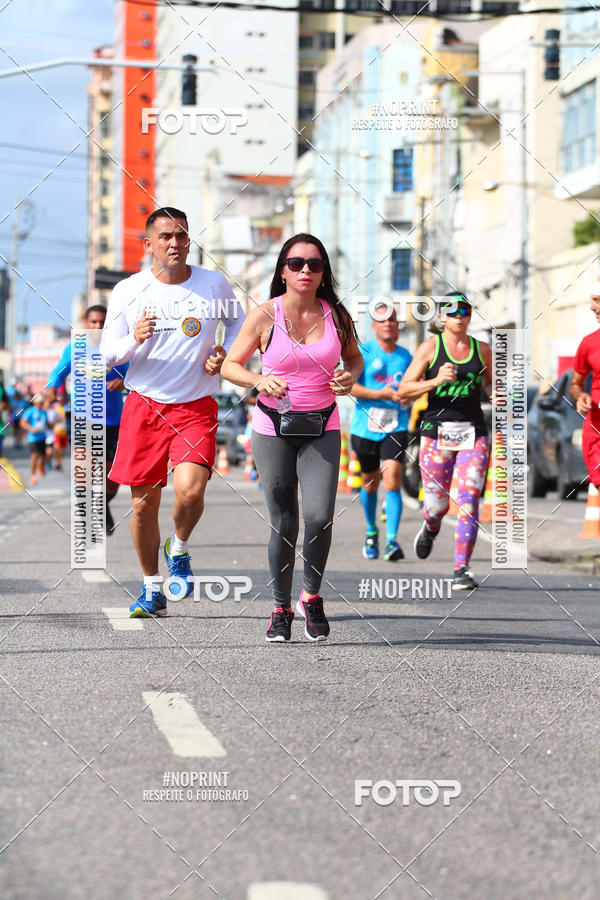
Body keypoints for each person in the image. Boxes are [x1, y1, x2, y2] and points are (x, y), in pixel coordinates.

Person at [100, 206, 244, 618]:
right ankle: (151, 588)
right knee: (143, 506)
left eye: (182, 235)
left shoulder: (213, 284)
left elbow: (239, 325)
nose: (175, 243)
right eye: (166, 236)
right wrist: (134, 339)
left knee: (191, 491)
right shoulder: (128, 290)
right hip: (144, 405)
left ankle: (178, 547)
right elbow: (108, 352)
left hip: (195, 407)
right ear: (149, 244)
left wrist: (225, 354)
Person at [221, 233, 363, 642]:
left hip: (323, 426)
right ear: (282, 270)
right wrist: (258, 379)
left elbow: (354, 358)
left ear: (323, 273)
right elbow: (230, 366)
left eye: (314, 264)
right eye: (296, 263)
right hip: (273, 428)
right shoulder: (265, 314)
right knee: (284, 522)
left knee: (319, 517)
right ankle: (280, 607)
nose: (305, 270)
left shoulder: (337, 315)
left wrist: (349, 377)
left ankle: (311, 596)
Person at [398, 293, 492, 590]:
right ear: (441, 318)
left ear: (470, 316)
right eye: (452, 312)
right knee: (437, 504)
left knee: (469, 499)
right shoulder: (430, 348)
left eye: (464, 311)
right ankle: (431, 525)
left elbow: (490, 384)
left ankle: (461, 568)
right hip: (436, 431)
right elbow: (404, 389)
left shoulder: (482, 350)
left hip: (473, 432)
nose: (459, 316)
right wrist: (436, 380)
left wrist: (496, 394)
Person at [46, 305, 128, 534]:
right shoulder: (75, 348)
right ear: (85, 323)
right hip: (83, 418)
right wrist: (52, 388)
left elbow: (135, 375)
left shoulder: (117, 348)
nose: (98, 326)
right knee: (85, 469)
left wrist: (124, 382)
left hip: (113, 422)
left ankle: (102, 506)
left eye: (102, 322)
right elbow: (58, 373)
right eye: (93, 322)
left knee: (112, 479)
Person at [349, 306, 412, 561]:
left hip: (396, 426)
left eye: (392, 320)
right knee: (370, 483)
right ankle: (371, 530)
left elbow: (415, 387)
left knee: (393, 478)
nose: (388, 324)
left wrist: (409, 397)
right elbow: (349, 386)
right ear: (374, 326)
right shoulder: (363, 352)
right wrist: (380, 394)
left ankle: (392, 541)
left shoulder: (406, 357)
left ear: (397, 325)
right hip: (364, 428)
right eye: (382, 320)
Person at [570, 281, 600, 487]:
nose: (592, 307)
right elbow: (575, 383)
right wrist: (580, 396)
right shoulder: (589, 343)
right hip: (596, 431)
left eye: (597, 300)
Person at [20, 394, 49, 484]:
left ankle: (40, 467)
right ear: (35, 403)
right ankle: (33, 475)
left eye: (42, 402)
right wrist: (31, 428)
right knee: (34, 456)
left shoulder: (44, 412)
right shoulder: (30, 411)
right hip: (33, 438)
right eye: (39, 402)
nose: (41, 404)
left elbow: (47, 424)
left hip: (42, 437)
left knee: (43, 456)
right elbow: (22, 423)